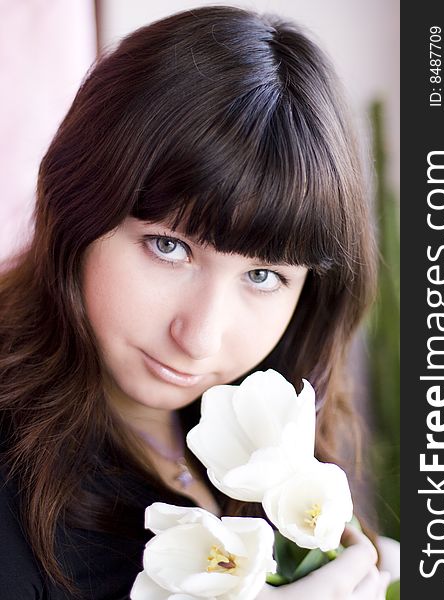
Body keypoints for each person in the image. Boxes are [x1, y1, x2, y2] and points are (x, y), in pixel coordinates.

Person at [0, 5, 398, 599]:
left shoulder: (269, 434)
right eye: (168, 247)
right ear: (78, 205)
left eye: (264, 276)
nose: (200, 337)